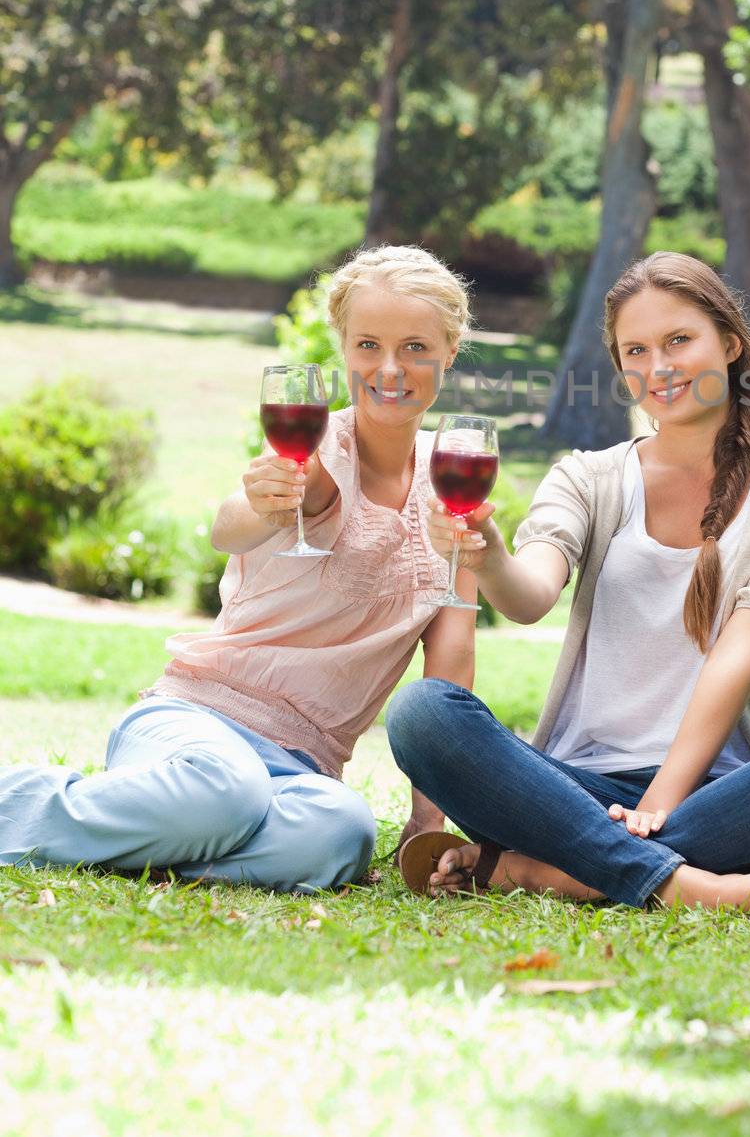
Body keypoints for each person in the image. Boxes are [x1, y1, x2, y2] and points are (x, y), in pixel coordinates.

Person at [387, 252, 750, 916]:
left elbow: (736, 656)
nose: (657, 367)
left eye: (678, 340)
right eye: (636, 350)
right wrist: (487, 557)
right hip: (571, 785)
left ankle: (539, 870)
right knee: (423, 714)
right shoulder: (588, 477)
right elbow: (528, 596)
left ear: (729, 342)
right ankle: (705, 890)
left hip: (725, 791)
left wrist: (659, 801)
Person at [0, 246, 476, 894]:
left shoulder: (455, 490)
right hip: (194, 720)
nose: (390, 368)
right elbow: (235, 523)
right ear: (342, 346)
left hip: (303, 768)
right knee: (225, 790)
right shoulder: (312, 450)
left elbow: (449, 668)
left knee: (341, 833)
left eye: (415, 347)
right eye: (368, 344)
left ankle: (151, 844)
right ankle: (21, 805)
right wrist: (260, 499)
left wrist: (426, 820)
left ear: (450, 349)